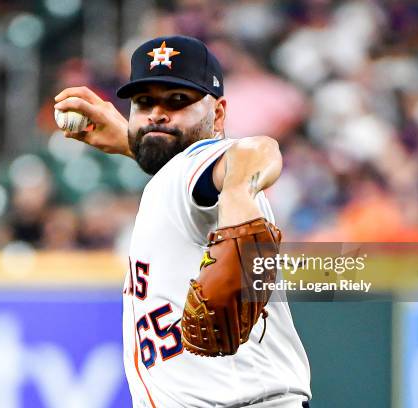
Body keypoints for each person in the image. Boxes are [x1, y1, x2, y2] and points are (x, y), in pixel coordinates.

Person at [54, 35, 311, 408]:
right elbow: (178, 173)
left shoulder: (203, 164)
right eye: (144, 103)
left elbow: (256, 151)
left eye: (177, 102)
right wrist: (134, 144)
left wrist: (239, 194)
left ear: (218, 115)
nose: (157, 113)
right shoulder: (175, 182)